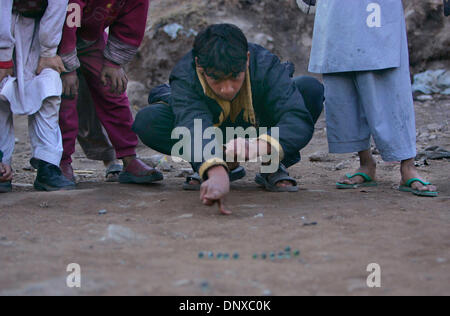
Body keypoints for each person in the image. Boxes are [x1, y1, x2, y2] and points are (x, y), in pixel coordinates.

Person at [133, 24, 324, 214]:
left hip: (260, 132)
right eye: (216, 80)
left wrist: (259, 146)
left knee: (309, 89)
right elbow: (192, 124)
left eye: (235, 77)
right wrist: (215, 170)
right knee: (149, 120)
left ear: (247, 59)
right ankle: (215, 165)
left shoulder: (266, 64)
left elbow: (296, 117)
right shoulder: (185, 74)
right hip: (213, 135)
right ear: (199, 65)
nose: (227, 89)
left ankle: (273, 165)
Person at [307, 0, 438, 197]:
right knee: (344, 81)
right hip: (336, 10)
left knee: (388, 81)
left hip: (376, 9)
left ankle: (408, 167)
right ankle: (366, 164)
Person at [58, 0, 162, 184]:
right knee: (65, 97)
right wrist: (67, 67)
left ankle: (129, 158)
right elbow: (67, 21)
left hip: (92, 40)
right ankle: (61, 162)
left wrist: (114, 62)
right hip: (56, 41)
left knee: (112, 88)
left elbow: (132, 24)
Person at [0, 0, 75, 192]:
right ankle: (1, 164)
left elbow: (58, 5)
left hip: (41, 30)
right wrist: (3, 55)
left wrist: (48, 50)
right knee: (1, 95)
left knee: (48, 90)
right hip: (4, 26)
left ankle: (47, 164)